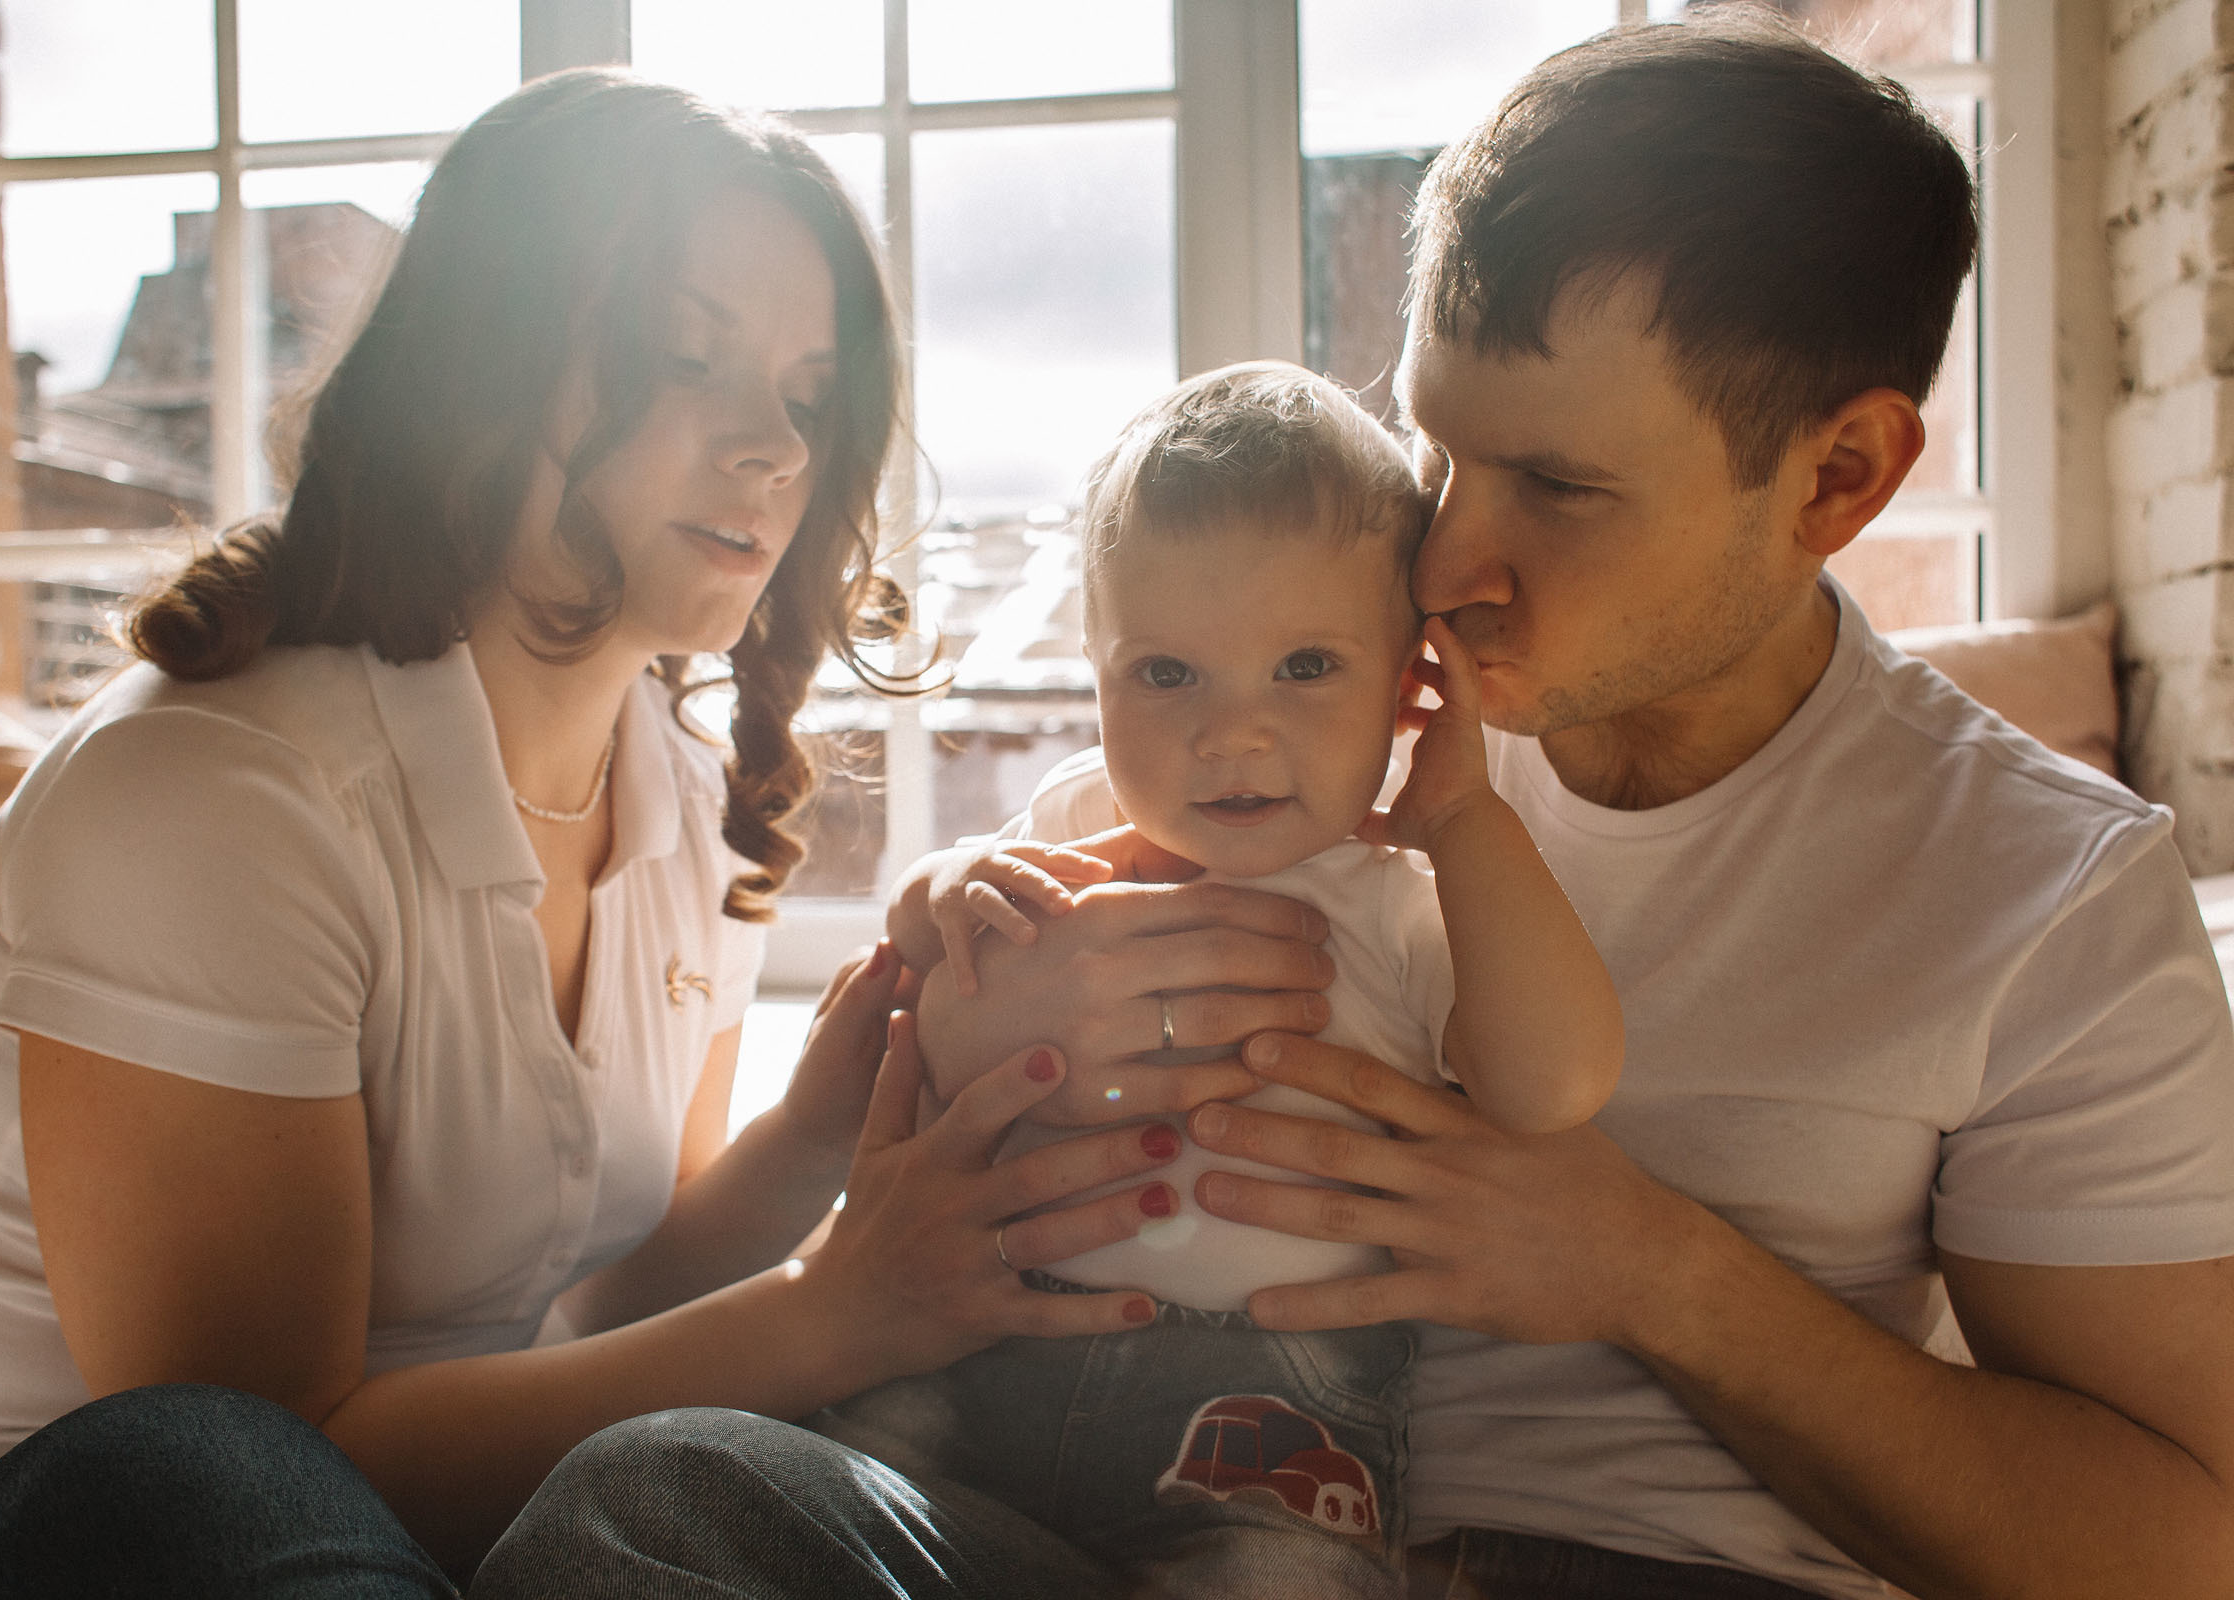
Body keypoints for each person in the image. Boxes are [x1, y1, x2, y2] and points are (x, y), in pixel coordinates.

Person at [469, 17, 2234, 1600]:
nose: (1450, 563)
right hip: (1097, 1514)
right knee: (651, 1509)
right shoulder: (1300, 707)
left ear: (1838, 477)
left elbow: (2175, 1549)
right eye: (1438, 450)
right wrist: (950, 979)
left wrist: (1656, 1274)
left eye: (1555, 483)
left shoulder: (2045, 890)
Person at [0, 70, 1237, 1597]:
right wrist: (833, 1307)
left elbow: (584, 1325)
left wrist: (816, 1140)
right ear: (481, 370)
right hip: (60, 1553)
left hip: (442, 1552)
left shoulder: (690, 804)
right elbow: (272, 1460)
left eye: (807, 395)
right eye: (681, 357)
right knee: (217, 1464)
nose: (772, 445)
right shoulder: (210, 798)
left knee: (716, 1491)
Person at [822, 362, 1619, 1596]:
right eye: (1165, 674)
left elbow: (1554, 1082)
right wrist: (939, 894)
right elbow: (929, 933)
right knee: (769, 1490)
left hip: (1270, 1413)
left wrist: (1464, 816)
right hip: (982, 1348)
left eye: (1305, 667)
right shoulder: (1080, 814)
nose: (1230, 734)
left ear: (1411, 683)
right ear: (1094, 672)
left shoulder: (1403, 898)